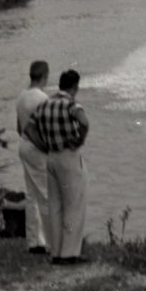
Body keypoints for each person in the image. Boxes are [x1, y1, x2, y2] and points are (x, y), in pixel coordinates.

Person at [29, 69, 90, 266]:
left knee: (54, 205)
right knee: (73, 204)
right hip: (69, 157)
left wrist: (42, 144)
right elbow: (84, 121)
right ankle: (69, 253)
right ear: (75, 87)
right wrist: (78, 139)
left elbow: (29, 128)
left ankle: (55, 252)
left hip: (51, 158)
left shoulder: (45, 104)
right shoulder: (70, 104)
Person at [15, 59, 52, 255]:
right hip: (37, 149)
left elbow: (19, 128)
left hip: (23, 147)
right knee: (46, 194)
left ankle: (34, 241)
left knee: (32, 195)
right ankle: (52, 244)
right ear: (45, 76)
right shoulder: (42, 98)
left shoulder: (21, 96)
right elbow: (45, 129)